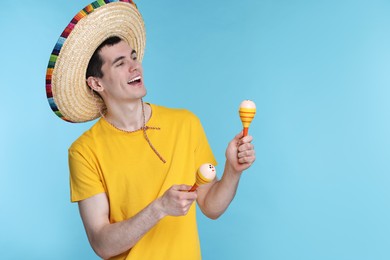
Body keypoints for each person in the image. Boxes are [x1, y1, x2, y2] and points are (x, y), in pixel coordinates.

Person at [46, 1, 255, 259]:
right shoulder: (84, 152)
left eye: (133, 57)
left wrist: (232, 171)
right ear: (96, 82)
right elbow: (102, 244)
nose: (135, 66)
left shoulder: (185, 123)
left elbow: (211, 207)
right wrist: (159, 208)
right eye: (120, 63)